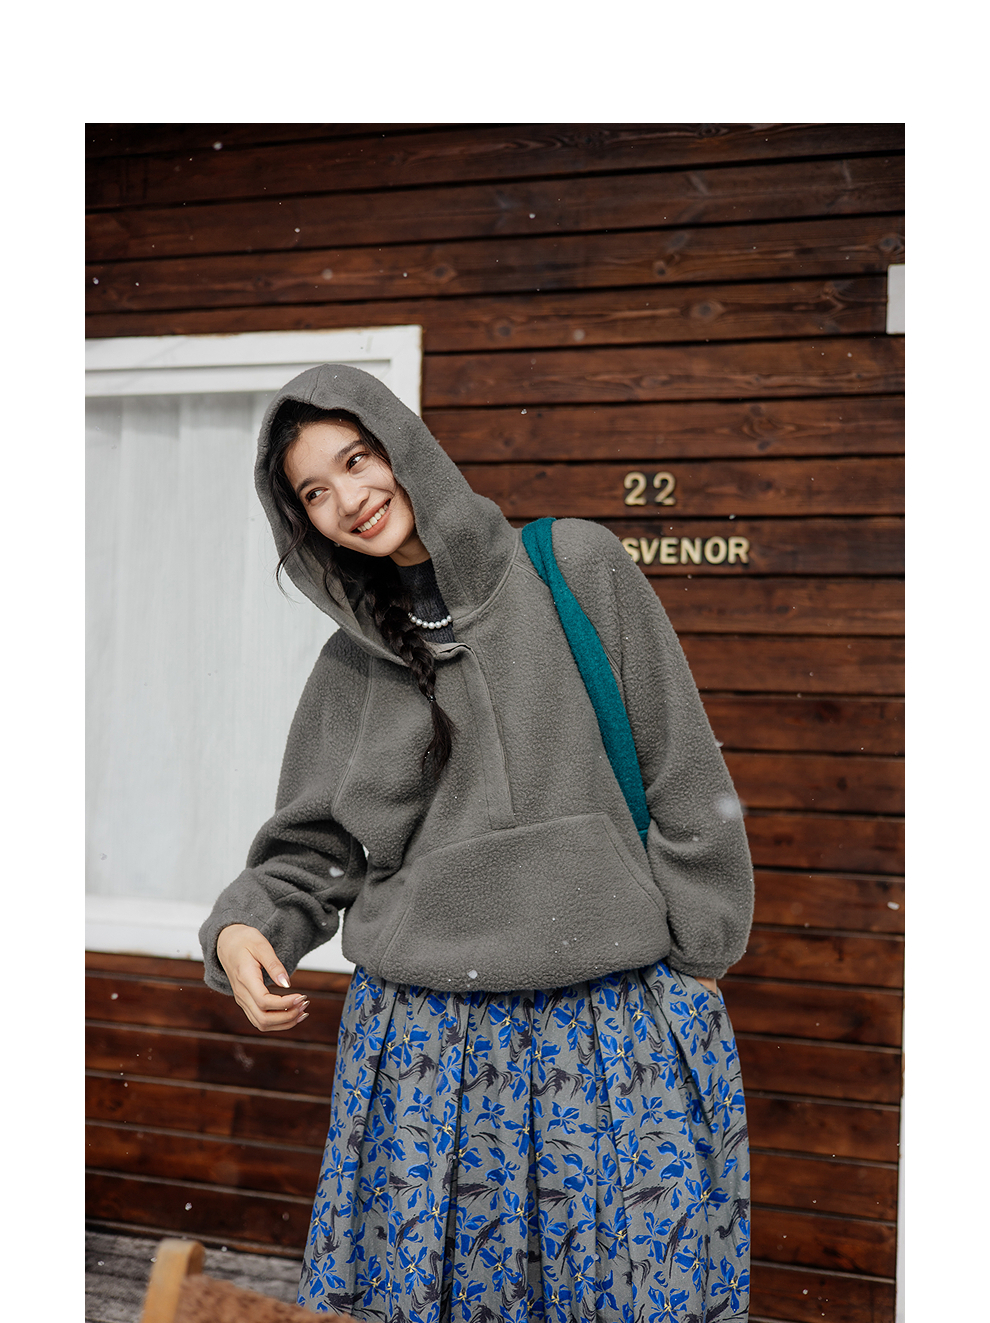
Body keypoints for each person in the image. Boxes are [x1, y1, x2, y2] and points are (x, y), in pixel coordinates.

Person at [199, 363, 755, 1323]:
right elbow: (317, 847)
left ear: (403, 447)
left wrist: (700, 954)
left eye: (356, 460)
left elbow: (683, 770)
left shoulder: (573, 567)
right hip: (423, 1041)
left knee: (624, 1293)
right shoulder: (351, 665)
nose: (347, 500)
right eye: (314, 493)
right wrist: (249, 925)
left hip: (604, 1022)